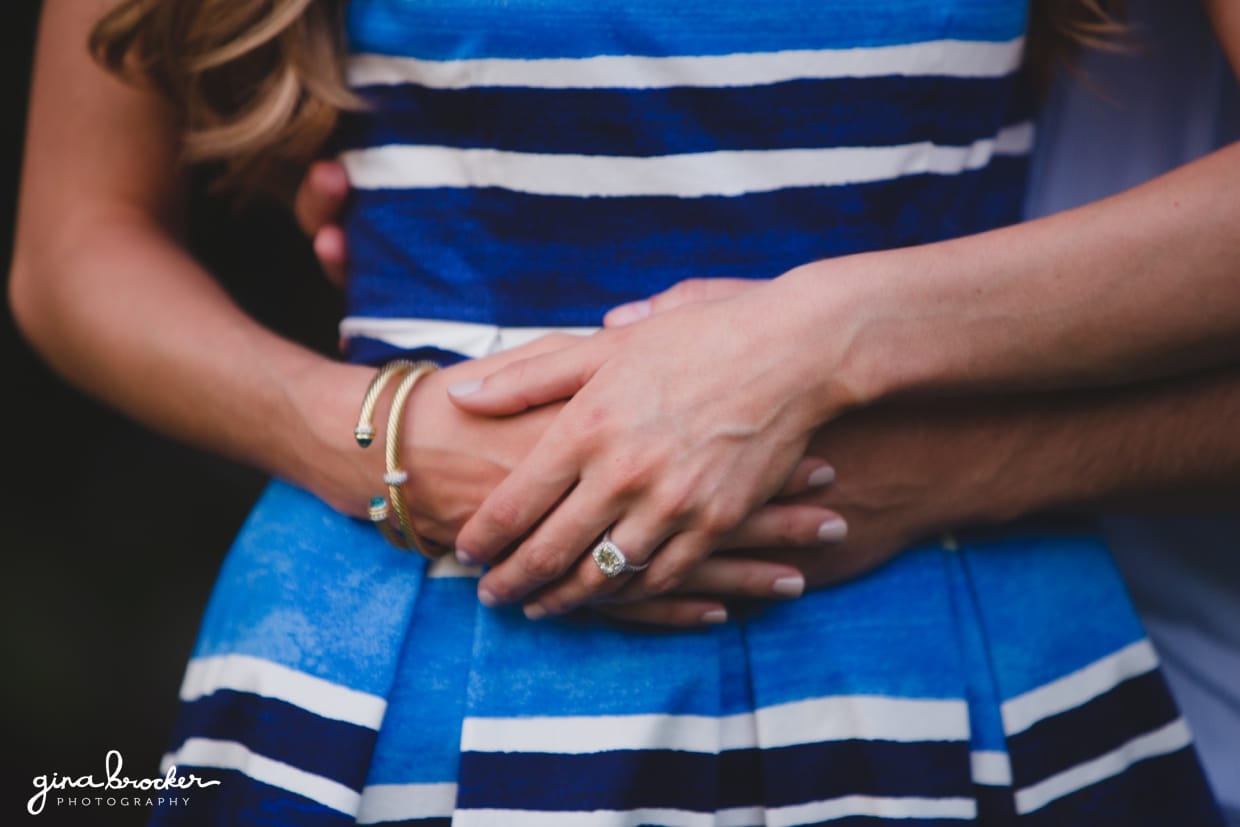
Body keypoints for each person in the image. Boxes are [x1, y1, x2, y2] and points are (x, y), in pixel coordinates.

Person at [9, 1, 1232, 825]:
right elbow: (72, 244)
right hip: (396, 624)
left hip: (942, 627)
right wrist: (373, 429)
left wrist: (822, 335)